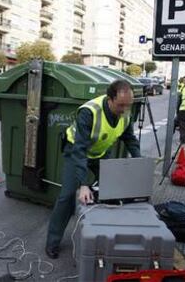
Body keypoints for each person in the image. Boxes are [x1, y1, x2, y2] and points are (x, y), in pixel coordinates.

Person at [45, 80, 141, 259]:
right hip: (76, 152)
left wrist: (139, 160)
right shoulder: (89, 112)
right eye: (120, 105)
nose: (124, 110)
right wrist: (83, 184)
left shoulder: (125, 113)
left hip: (99, 153)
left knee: (112, 191)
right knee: (67, 196)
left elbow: (130, 139)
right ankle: (52, 242)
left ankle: (104, 236)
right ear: (110, 99)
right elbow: (80, 149)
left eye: (128, 105)